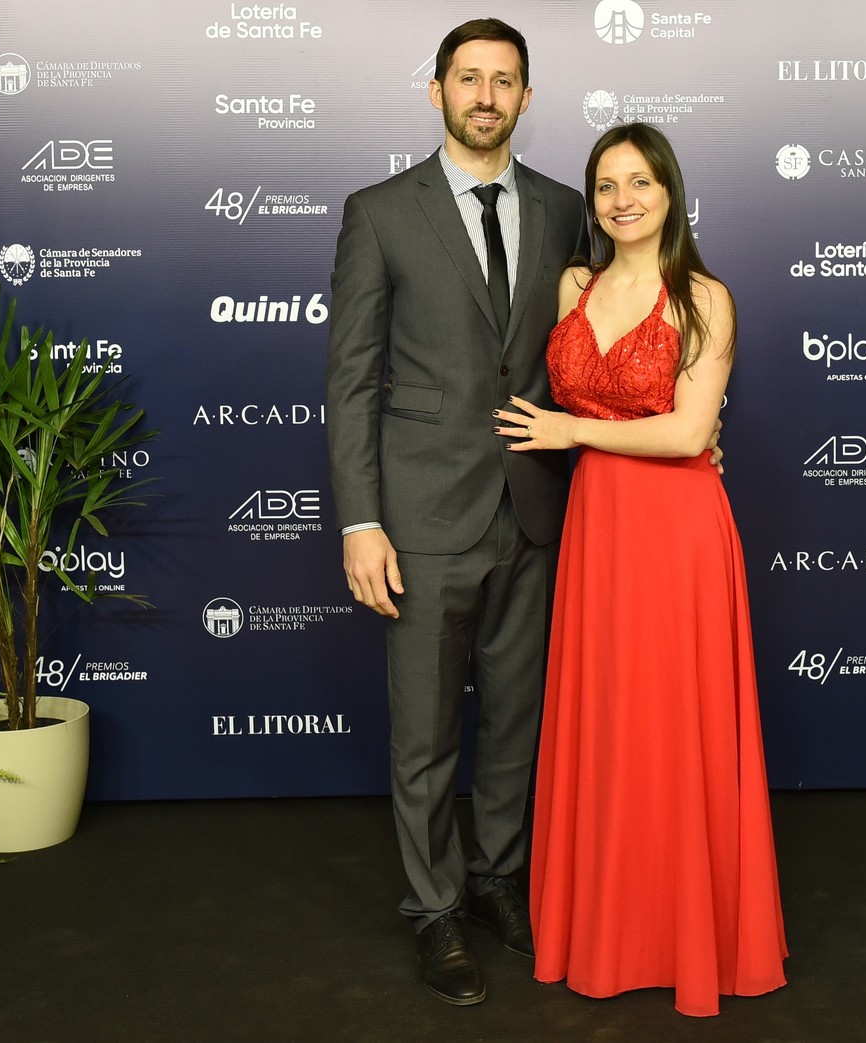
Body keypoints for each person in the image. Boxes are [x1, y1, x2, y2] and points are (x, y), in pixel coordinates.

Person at [494, 123, 788, 1017]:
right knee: (611, 723)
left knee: (677, 726)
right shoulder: (573, 284)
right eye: (607, 185)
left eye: (640, 182)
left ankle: (689, 937)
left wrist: (572, 431)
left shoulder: (705, 298)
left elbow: (690, 433)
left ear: (670, 192)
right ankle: (608, 929)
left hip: (678, 531)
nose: (623, 199)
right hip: (597, 529)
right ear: (593, 201)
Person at [324, 18, 588, 1006]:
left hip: (535, 509)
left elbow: (606, 336)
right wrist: (360, 520)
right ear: (434, 91)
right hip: (422, 515)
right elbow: (350, 380)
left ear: (526, 97)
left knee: (518, 720)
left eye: (504, 80)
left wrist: (688, 419)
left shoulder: (568, 208)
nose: (486, 94)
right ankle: (434, 907)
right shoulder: (380, 211)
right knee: (427, 731)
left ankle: (496, 879)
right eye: (467, 78)